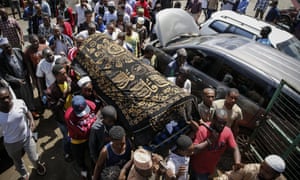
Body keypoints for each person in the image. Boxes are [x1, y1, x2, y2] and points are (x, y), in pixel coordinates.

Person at [0, 87, 46, 180]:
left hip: (27, 137)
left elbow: (27, 111)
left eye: (7, 97)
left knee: (34, 157)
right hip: (11, 143)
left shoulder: (19, 103)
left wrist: (31, 120)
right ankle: (24, 174)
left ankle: (37, 166)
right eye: (2, 99)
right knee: (17, 161)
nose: (6, 100)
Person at [190, 109, 242, 179]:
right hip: (198, 169)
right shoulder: (203, 130)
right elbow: (194, 150)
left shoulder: (227, 131)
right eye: (219, 122)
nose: (222, 125)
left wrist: (237, 162)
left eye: (224, 123)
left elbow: (235, 148)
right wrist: (209, 141)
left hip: (210, 168)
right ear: (213, 120)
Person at [0, 38, 39, 119]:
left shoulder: (18, 51)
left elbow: (26, 63)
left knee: (29, 94)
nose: (8, 49)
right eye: (5, 47)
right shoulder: (2, 58)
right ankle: (25, 113)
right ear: (2, 48)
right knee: (20, 97)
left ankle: (32, 110)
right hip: (15, 83)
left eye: (8, 46)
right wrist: (16, 80)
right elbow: (4, 74)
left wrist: (26, 71)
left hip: (25, 78)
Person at [65, 95, 97, 179]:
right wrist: (93, 122)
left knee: (93, 154)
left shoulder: (91, 104)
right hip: (78, 140)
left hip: (90, 137)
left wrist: (90, 123)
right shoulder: (69, 116)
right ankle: (84, 170)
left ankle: (94, 170)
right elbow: (82, 132)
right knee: (79, 157)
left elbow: (95, 114)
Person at [45, 64, 73, 162]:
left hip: (73, 115)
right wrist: (64, 95)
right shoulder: (50, 91)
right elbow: (55, 109)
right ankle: (67, 153)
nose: (66, 75)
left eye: (65, 72)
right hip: (63, 119)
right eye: (62, 74)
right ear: (56, 76)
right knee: (66, 137)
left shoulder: (68, 80)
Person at [216, 154, 286, 180]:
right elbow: (229, 177)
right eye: (261, 167)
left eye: (267, 172)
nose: (261, 172)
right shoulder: (251, 169)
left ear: (276, 175)